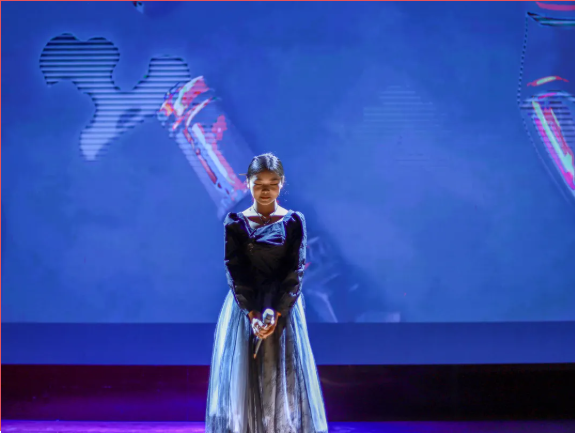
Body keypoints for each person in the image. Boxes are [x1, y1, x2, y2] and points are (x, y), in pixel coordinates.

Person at [206, 153, 329, 433]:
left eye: (272, 183)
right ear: (248, 183)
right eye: (258, 183)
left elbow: (295, 271)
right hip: (245, 308)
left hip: (283, 307)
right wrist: (252, 313)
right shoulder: (235, 222)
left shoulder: (293, 221)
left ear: (281, 184)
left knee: (282, 377)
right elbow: (235, 271)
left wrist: (277, 309)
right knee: (244, 379)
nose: (265, 190)